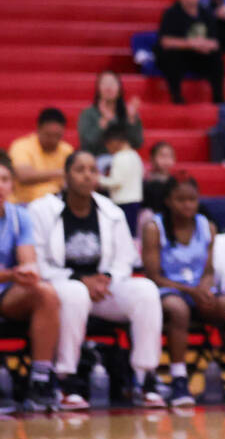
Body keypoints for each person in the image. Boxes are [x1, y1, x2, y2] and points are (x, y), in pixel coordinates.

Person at [29, 150, 166, 408]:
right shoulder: (42, 210)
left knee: (146, 290)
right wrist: (81, 279)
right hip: (61, 286)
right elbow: (38, 262)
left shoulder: (111, 211)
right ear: (66, 176)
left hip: (103, 289)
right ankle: (66, 379)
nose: (87, 175)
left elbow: (125, 258)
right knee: (75, 292)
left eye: (93, 170)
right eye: (80, 170)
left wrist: (106, 278)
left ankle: (144, 377)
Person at [141, 175, 225, 407]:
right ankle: (179, 379)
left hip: (198, 291)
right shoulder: (154, 228)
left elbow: (209, 269)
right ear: (169, 201)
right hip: (167, 291)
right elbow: (153, 275)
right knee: (179, 310)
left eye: (192, 199)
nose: (188, 205)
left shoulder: (207, 226)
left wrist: (204, 287)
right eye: (181, 200)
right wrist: (190, 290)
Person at [0, 153, 64, 413]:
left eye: (4, 179)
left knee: (45, 293)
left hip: (6, 294)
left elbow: (27, 261)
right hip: (6, 282)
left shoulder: (20, 217)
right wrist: (12, 274)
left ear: (12, 185)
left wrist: (28, 272)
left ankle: (40, 379)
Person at [156, 0, 224, 104]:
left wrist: (203, 45)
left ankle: (218, 98)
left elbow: (215, 42)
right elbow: (165, 41)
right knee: (171, 56)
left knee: (216, 56)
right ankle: (176, 97)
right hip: (181, 56)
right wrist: (190, 44)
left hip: (200, 56)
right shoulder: (171, 13)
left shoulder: (207, 13)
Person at [8, 107, 73, 203]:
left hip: (58, 204)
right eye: (48, 135)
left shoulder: (66, 149)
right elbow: (24, 176)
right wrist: (60, 172)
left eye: (57, 136)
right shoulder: (21, 146)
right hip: (25, 203)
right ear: (38, 129)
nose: (53, 140)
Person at [77, 69, 144, 156]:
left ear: (119, 88)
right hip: (96, 160)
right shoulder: (88, 113)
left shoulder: (128, 113)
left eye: (112, 83)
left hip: (123, 158)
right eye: (104, 83)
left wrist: (131, 120)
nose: (108, 88)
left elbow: (138, 143)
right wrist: (103, 123)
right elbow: (86, 144)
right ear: (98, 89)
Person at [97, 124, 144, 232]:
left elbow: (116, 182)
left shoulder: (119, 157)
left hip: (122, 202)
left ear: (114, 142)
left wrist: (98, 179)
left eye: (108, 144)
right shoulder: (135, 155)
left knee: (123, 234)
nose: (108, 148)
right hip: (135, 200)